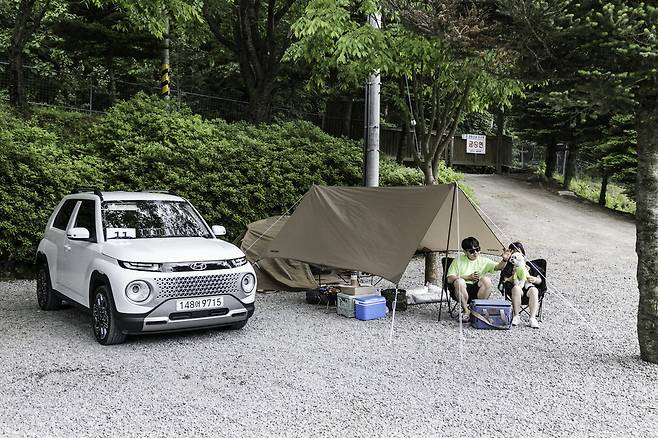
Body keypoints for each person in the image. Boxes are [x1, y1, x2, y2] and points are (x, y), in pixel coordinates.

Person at [446, 236, 511, 322]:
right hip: (460, 289)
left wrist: (505, 260)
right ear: (465, 252)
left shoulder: (483, 260)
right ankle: (466, 311)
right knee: (459, 281)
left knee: (486, 280)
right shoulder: (458, 261)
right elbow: (449, 279)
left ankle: (478, 310)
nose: (476, 253)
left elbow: (499, 267)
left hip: (477, 289)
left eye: (477, 249)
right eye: (472, 251)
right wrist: (467, 277)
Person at [501, 241, 542, 329]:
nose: (516, 254)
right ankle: (516, 316)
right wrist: (513, 275)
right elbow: (504, 280)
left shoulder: (530, 265)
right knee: (516, 288)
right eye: (513, 252)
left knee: (534, 290)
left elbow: (540, 279)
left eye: (518, 251)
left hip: (528, 288)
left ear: (523, 253)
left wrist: (535, 279)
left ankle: (532, 318)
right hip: (516, 289)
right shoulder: (509, 266)